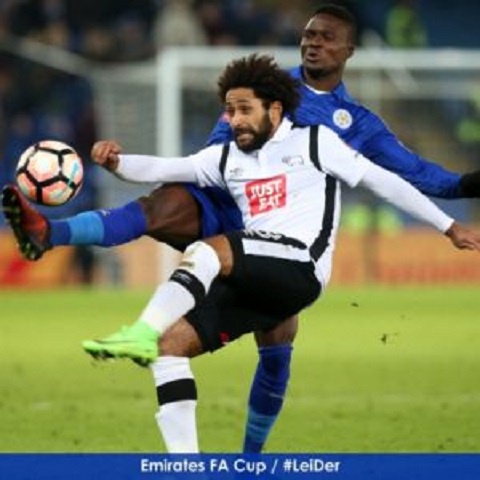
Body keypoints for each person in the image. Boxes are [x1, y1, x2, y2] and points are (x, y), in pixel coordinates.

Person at [3, 4, 480, 453]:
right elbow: (206, 154)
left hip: (279, 235)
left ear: (348, 51)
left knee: (275, 344)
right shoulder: (263, 84)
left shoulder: (351, 125)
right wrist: (122, 161)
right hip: (220, 198)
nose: (313, 43)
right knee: (156, 208)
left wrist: (462, 192)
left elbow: (414, 174)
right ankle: (51, 235)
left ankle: (250, 459)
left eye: (326, 37)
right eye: (308, 34)